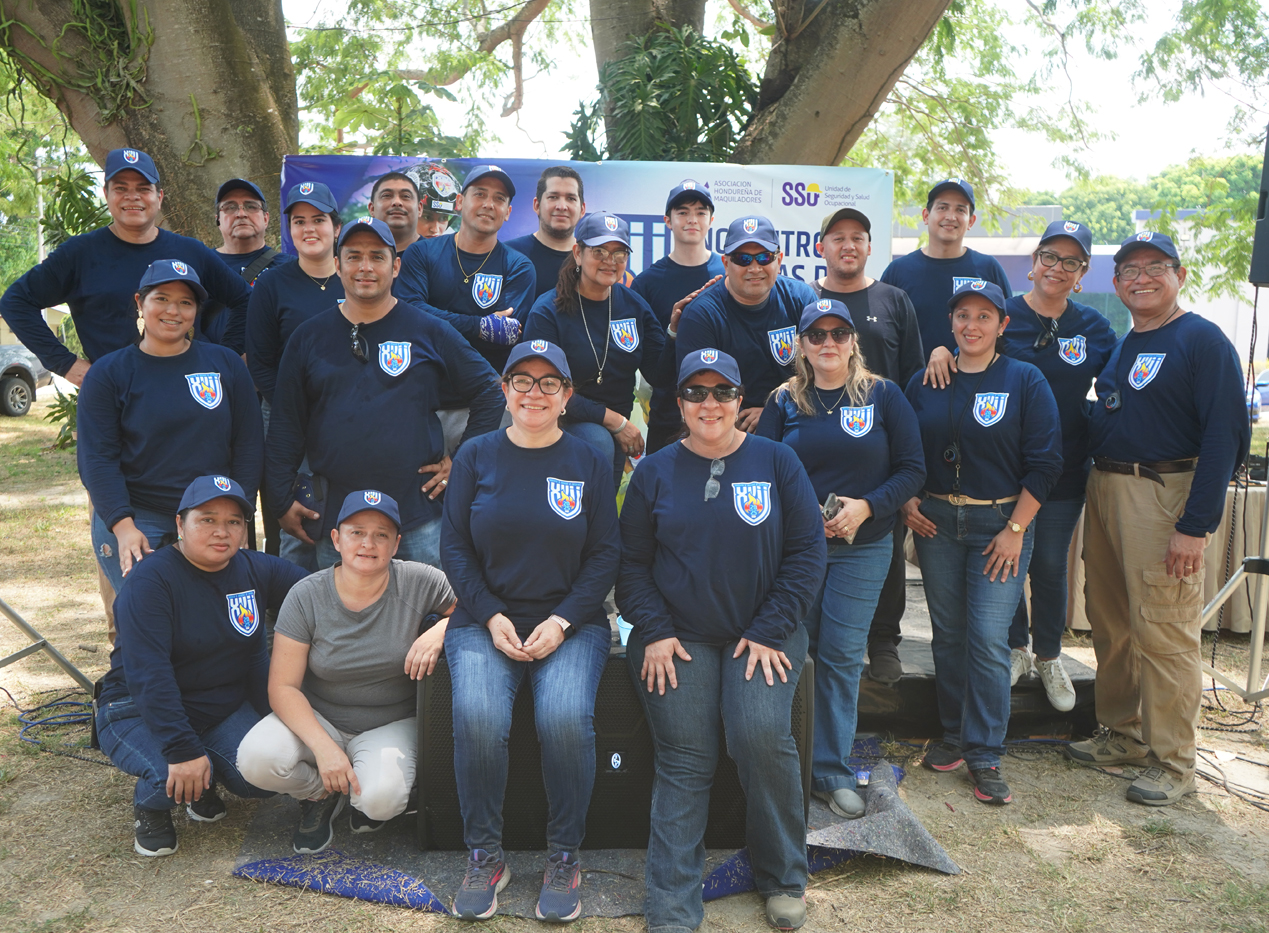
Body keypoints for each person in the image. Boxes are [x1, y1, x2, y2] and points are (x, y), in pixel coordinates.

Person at [617, 348, 826, 932]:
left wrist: (769, 628)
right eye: (696, 393)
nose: (709, 404)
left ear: (740, 400)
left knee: (758, 733)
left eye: (722, 392)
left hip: (766, 633)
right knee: (686, 754)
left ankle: (784, 874)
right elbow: (630, 564)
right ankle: (672, 905)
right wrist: (653, 630)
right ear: (678, 402)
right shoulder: (654, 471)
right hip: (675, 639)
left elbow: (808, 555)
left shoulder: (779, 462)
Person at [1067, 231, 1249, 807]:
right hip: (1107, 487)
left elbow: (1225, 439)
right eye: (1129, 270)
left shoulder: (1202, 340)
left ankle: (1174, 761)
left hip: (1164, 492)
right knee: (1111, 617)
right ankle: (1121, 733)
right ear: (1115, 283)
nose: (1141, 278)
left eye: (1154, 268)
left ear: (1180, 275)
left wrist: (1195, 525)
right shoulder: (1125, 343)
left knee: (1165, 630)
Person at [440, 340, 620, 922]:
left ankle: (565, 854)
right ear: (504, 390)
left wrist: (563, 620)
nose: (534, 393)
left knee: (564, 718)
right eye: (523, 380)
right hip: (482, 619)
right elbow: (455, 549)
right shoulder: (474, 455)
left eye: (549, 383)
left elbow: (605, 554)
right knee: (479, 715)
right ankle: (485, 856)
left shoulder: (590, 459)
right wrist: (490, 615)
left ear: (567, 397)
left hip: (572, 622)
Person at [927, 219, 1116, 709]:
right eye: (1049, 257)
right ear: (1033, 263)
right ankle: (1015, 648)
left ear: (1082, 273)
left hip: (1063, 470)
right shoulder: (1001, 314)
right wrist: (940, 350)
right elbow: (965, 343)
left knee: (1050, 565)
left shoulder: (1095, 328)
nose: (1057, 268)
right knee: (1003, 562)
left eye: (1070, 262)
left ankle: (1049, 654)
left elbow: (1119, 392)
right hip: (1003, 475)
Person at [756, 299, 924, 819]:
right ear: (800, 346)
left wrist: (866, 507)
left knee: (843, 655)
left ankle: (829, 769)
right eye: (816, 335)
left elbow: (912, 470)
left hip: (864, 545)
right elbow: (761, 471)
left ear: (853, 340)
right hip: (797, 549)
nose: (828, 343)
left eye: (838, 333)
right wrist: (806, 513)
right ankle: (780, 761)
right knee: (790, 648)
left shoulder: (883, 396)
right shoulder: (784, 400)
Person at [902, 280, 1062, 806]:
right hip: (938, 524)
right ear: (950, 322)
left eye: (984, 316)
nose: (972, 325)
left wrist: (1016, 531)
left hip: (1001, 527)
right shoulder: (925, 380)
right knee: (947, 635)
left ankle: (986, 749)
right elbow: (900, 452)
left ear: (1003, 324)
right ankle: (953, 733)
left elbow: (1045, 465)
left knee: (989, 638)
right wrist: (907, 503)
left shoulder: (1025, 379)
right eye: (963, 315)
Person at [266, 217, 503, 571]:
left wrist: (462, 460)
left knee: (432, 620)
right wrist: (281, 500)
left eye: (377, 257)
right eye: (354, 256)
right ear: (337, 264)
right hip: (336, 520)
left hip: (419, 517)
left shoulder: (429, 330)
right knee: (341, 624)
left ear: (395, 267)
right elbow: (286, 424)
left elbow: (490, 390)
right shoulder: (308, 337)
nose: (365, 267)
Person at [95, 475, 307, 857]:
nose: (221, 532)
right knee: (168, 777)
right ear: (180, 524)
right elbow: (149, 677)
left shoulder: (254, 568)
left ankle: (204, 777)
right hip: (136, 709)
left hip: (217, 707)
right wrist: (181, 749)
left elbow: (322, 593)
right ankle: (151, 806)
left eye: (233, 522)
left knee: (261, 780)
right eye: (207, 519)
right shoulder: (151, 582)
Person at [236, 490, 456, 853]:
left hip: (391, 720)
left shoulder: (421, 581)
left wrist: (441, 630)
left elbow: (476, 605)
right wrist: (325, 750)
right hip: (321, 717)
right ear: (336, 539)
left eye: (381, 534)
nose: (368, 543)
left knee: (380, 801)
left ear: (396, 543)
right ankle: (321, 793)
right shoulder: (306, 594)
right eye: (356, 532)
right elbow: (283, 688)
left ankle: (359, 788)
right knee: (257, 760)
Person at [77, 260, 263, 597]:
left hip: (212, 517)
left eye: (185, 302)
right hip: (139, 518)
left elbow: (248, 446)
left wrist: (239, 517)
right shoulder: (109, 374)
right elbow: (97, 459)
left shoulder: (225, 365)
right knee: (151, 627)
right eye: (161, 298)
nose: (173, 310)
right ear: (139, 302)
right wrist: (123, 526)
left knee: (212, 627)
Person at [0, 147, 253, 382]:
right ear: (106, 194)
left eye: (143, 188)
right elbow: (16, 302)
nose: (133, 197)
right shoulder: (79, 254)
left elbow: (246, 299)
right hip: (115, 397)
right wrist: (68, 366)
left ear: (159, 196)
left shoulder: (190, 251)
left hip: (187, 394)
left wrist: (222, 357)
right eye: (121, 188)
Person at [812, 207, 925, 685]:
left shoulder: (894, 299)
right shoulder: (807, 299)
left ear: (869, 246)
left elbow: (916, 379)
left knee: (885, 544)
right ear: (822, 248)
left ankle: (883, 640)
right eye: (838, 237)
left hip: (879, 443)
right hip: (820, 443)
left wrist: (910, 466)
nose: (848, 245)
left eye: (858, 236)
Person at [523, 211, 669, 489]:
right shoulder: (548, 310)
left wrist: (674, 331)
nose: (609, 261)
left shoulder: (633, 306)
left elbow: (660, 373)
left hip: (614, 425)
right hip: (561, 418)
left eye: (619, 253)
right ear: (578, 253)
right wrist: (615, 421)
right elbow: (544, 389)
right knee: (598, 439)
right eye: (599, 251)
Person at [246, 181, 345, 568]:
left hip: (349, 415)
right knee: (294, 518)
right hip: (286, 419)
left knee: (342, 514)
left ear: (336, 227)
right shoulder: (272, 283)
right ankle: (291, 616)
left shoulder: (354, 276)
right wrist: (296, 409)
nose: (308, 229)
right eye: (299, 221)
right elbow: (261, 361)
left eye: (318, 219)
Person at [675, 215, 817, 433]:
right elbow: (698, 395)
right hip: (730, 426)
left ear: (779, 260)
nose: (754, 267)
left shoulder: (801, 299)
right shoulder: (702, 314)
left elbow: (826, 373)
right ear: (726, 263)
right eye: (742, 259)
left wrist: (774, 410)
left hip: (796, 413)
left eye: (764, 257)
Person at [395, 164, 535, 372]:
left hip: (488, 391)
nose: (489, 204)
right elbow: (409, 314)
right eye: (480, 194)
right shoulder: (421, 253)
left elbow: (504, 337)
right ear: (460, 202)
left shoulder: (518, 267)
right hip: (425, 386)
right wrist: (480, 327)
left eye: (499, 199)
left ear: (508, 212)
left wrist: (434, 317)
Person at [632, 180, 724, 454]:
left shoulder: (731, 274)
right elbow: (653, 371)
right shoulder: (646, 283)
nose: (692, 219)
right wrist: (673, 330)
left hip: (724, 411)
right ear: (668, 221)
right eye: (682, 212)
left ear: (711, 220)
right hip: (668, 416)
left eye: (700, 212)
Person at [879, 179, 1012, 360]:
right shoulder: (898, 271)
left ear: (971, 221)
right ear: (926, 216)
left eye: (960, 210)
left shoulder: (988, 268)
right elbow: (883, 338)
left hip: (977, 383)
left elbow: (1006, 335)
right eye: (942, 208)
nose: (951, 216)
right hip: (912, 385)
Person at [204, 178, 290, 347]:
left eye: (251, 206)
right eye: (230, 207)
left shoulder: (289, 268)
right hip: (211, 368)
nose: (241, 213)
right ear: (218, 220)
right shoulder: (201, 264)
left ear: (266, 219)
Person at [505, 166, 587, 301]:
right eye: (553, 197)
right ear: (536, 205)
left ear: (582, 209)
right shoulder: (508, 254)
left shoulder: (591, 260)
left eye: (571, 198)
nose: (561, 206)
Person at [369, 171, 422, 253]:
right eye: (386, 195)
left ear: (419, 208)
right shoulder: (353, 253)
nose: (397, 202)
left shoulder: (438, 255)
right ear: (372, 209)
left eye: (406, 196)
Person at [408, 162, 460, 238]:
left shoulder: (453, 245)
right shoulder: (386, 243)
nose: (435, 230)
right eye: (427, 217)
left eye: (443, 218)